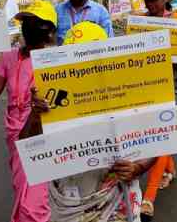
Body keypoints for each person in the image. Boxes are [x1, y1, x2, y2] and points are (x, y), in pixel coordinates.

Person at [28, 21, 155, 222]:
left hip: (115, 198)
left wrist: (138, 168)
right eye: (78, 58)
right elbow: (28, 147)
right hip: (69, 203)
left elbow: (157, 140)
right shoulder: (52, 96)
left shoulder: (126, 92)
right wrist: (34, 117)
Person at [0, 0, 57, 222]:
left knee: (32, 203)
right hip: (16, 138)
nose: (27, 27)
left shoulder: (57, 60)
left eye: (33, 22)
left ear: (49, 30)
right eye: (25, 21)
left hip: (43, 135)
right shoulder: (8, 57)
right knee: (24, 193)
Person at [138, 0, 177, 221]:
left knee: (159, 137)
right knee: (157, 134)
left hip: (171, 86)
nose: (151, 3)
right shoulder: (139, 22)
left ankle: (148, 198)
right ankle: (170, 169)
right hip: (144, 87)